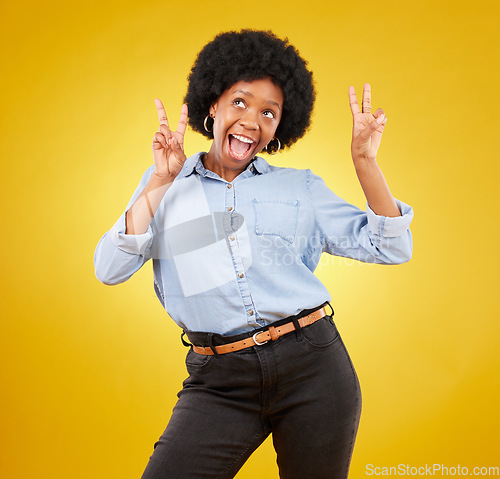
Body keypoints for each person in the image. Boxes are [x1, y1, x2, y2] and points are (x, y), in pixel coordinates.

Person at [94, 29, 413, 479]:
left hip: (314, 368)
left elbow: (392, 245)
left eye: (269, 112)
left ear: (280, 126)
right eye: (240, 103)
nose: (251, 120)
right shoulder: (164, 183)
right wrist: (158, 184)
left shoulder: (299, 187)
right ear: (213, 105)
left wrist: (365, 161)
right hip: (218, 380)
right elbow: (109, 268)